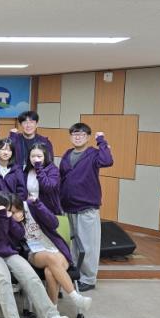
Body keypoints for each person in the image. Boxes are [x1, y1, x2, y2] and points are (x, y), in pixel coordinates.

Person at [0, 191, 70, 318]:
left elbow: (19, 234)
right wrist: (2, 215)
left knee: (31, 277)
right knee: (3, 279)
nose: (9, 212)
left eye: (10, 209)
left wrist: (13, 220)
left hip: (9, 252)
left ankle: (51, 317)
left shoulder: (8, 214)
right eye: (7, 209)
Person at [10, 196, 92, 312]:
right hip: (35, 252)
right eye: (12, 212)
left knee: (49, 272)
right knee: (50, 257)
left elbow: (54, 223)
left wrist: (38, 205)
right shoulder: (9, 219)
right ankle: (76, 297)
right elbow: (16, 238)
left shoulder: (32, 206)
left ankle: (53, 312)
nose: (16, 214)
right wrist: (14, 221)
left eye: (17, 210)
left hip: (56, 248)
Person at [60, 123, 113, 291]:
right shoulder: (67, 154)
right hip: (68, 207)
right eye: (74, 134)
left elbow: (107, 161)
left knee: (88, 246)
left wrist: (101, 141)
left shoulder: (94, 154)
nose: (77, 137)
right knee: (72, 246)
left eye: (82, 134)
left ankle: (88, 279)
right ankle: (75, 275)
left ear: (88, 137)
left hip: (86, 208)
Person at [0, 138, 27, 205]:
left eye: (9, 150)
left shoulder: (17, 169)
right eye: (3, 149)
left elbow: (21, 191)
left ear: (12, 153)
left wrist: (15, 206)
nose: (6, 153)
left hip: (12, 206)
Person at [24, 143, 62, 215]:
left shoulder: (53, 170)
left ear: (45, 156)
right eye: (32, 156)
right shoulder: (27, 170)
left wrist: (38, 168)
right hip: (30, 210)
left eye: (39, 156)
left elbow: (48, 187)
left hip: (48, 211)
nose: (35, 159)